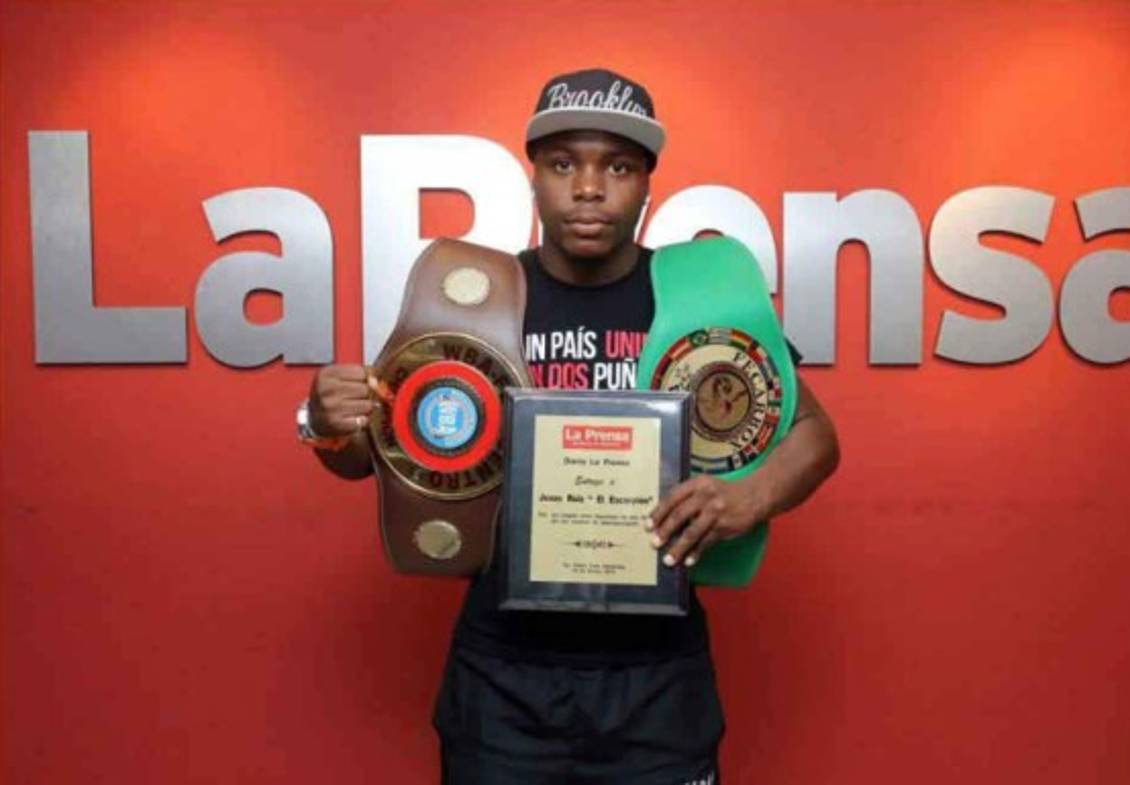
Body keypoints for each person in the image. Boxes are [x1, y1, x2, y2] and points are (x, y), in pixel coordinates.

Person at [301, 68, 840, 784]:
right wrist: (328, 422)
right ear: (533, 180)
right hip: (502, 670)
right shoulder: (474, 300)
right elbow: (369, 455)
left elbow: (815, 433)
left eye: (618, 167)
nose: (589, 188)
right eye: (563, 165)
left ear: (647, 184)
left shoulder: (699, 296)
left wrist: (751, 496)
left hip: (659, 672)